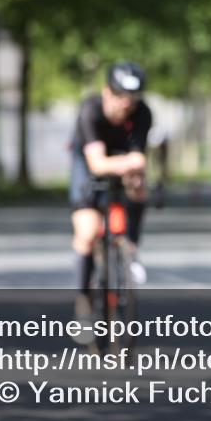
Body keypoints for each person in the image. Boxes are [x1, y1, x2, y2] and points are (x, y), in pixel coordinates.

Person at [69, 62, 153, 323]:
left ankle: (130, 250)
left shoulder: (143, 113)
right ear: (107, 91)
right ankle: (83, 300)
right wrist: (131, 163)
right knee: (88, 231)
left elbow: (139, 157)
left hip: (120, 157)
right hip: (88, 161)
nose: (126, 104)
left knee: (139, 187)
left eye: (132, 98)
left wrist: (133, 171)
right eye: (120, 96)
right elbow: (97, 164)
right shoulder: (90, 110)